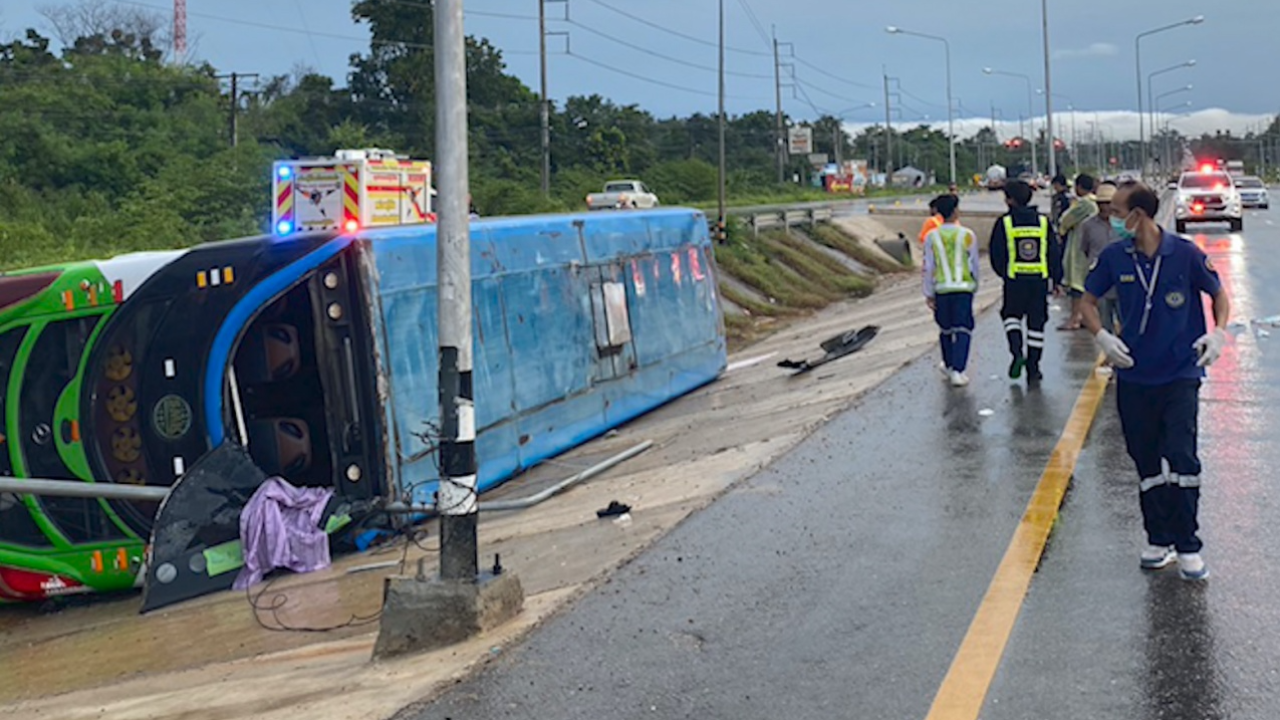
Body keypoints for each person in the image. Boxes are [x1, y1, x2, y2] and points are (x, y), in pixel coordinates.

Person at [1081, 181, 1230, 581]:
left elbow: (1218, 295)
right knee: (1146, 461)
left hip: (1180, 373)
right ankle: (1158, 538)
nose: (1110, 217)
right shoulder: (1115, 257)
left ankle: (1188, 544)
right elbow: (1087, 302)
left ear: (1138, 215)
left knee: (1181, 457)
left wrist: (1218, 333)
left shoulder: (1183, 254)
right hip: (1134, 376)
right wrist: (1102, 337)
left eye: (1116, 210)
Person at [989, 180, 1062, 383]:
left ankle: (1016, 352)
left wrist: (1004, 273)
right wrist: (1056, 279)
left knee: (1010, 316)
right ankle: (1033, 368)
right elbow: (1053, 252)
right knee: (1036, 324)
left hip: (1014, 281)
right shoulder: (1043, 222)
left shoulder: (1004, 223)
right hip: (1039, 282)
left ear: (1010, 200)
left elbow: (996, 254)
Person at [921, 194, 979, 388]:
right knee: (963, 328)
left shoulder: (931, 236)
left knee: (945, 328)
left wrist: (928, 293)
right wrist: (975, 285)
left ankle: (948, 364)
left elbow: (928, 266)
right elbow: (974, 264)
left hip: (942, 288)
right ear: (955, 211)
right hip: (963, 287)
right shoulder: (968, 235)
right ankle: (958, 370)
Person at [1057, 174, 1100, 330]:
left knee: (1077, 286)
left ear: (1080, 187)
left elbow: (1065, 220)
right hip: (1090, 247)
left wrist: (1062, 227)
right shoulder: (1094, 203)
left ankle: (1075, 318)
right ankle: (1083, 318)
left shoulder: (1085, 204)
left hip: (1079, 248)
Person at [1079, 181, 1120, 331]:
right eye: (1101, 203)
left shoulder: (1125, 225)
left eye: (1108, 203)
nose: (1105, 207)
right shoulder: (1088, 225)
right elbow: (1085, 250)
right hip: (1100, 282)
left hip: (1122, 280)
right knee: (1104, 324)